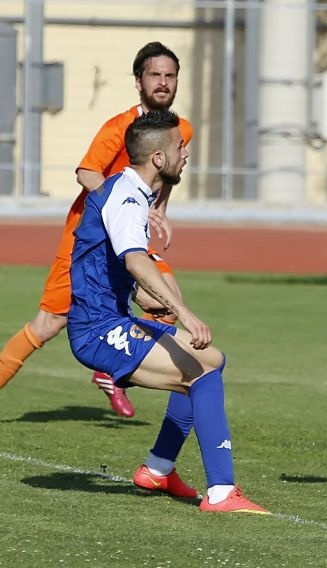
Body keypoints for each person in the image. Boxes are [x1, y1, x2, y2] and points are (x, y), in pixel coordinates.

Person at [68, 108, 267, 514]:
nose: (185, 154)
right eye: (180, 147)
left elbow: (107, 259)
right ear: (159, 158)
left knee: (210, 360)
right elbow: (135, 260)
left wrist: (143, 295)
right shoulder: (126, 195)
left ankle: (159, 469)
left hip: (108, 319)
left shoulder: (132, 191)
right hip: (98, 330)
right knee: (203, 370)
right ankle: (221, 492)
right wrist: (184, 312)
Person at [0, 41, 192, 418]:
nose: (163, 82)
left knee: (167, 303)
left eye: (170, 76)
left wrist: (161, 211)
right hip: (86, 239)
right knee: (49, 323)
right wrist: (118, 201)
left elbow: (165, 174)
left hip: (129, 241)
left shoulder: (181, 129)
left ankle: (113, 370)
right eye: (155, 74)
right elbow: (87, 171)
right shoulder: (119, 126)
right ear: (138, 81)